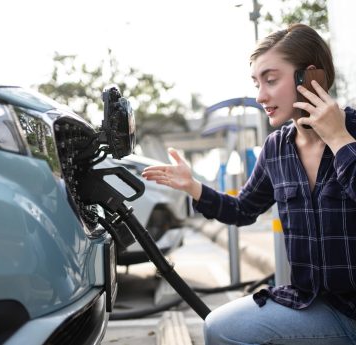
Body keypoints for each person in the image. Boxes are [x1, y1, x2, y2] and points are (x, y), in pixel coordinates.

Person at [142, 23, 356, 345]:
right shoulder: (277, 148)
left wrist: (339, 138)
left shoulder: (353, 130)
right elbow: (242, 210)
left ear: (312, 77)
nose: (260, 96)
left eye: (271, 80)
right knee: (220, 326)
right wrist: (193, 187)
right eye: (257, 83)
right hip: (316, 305)